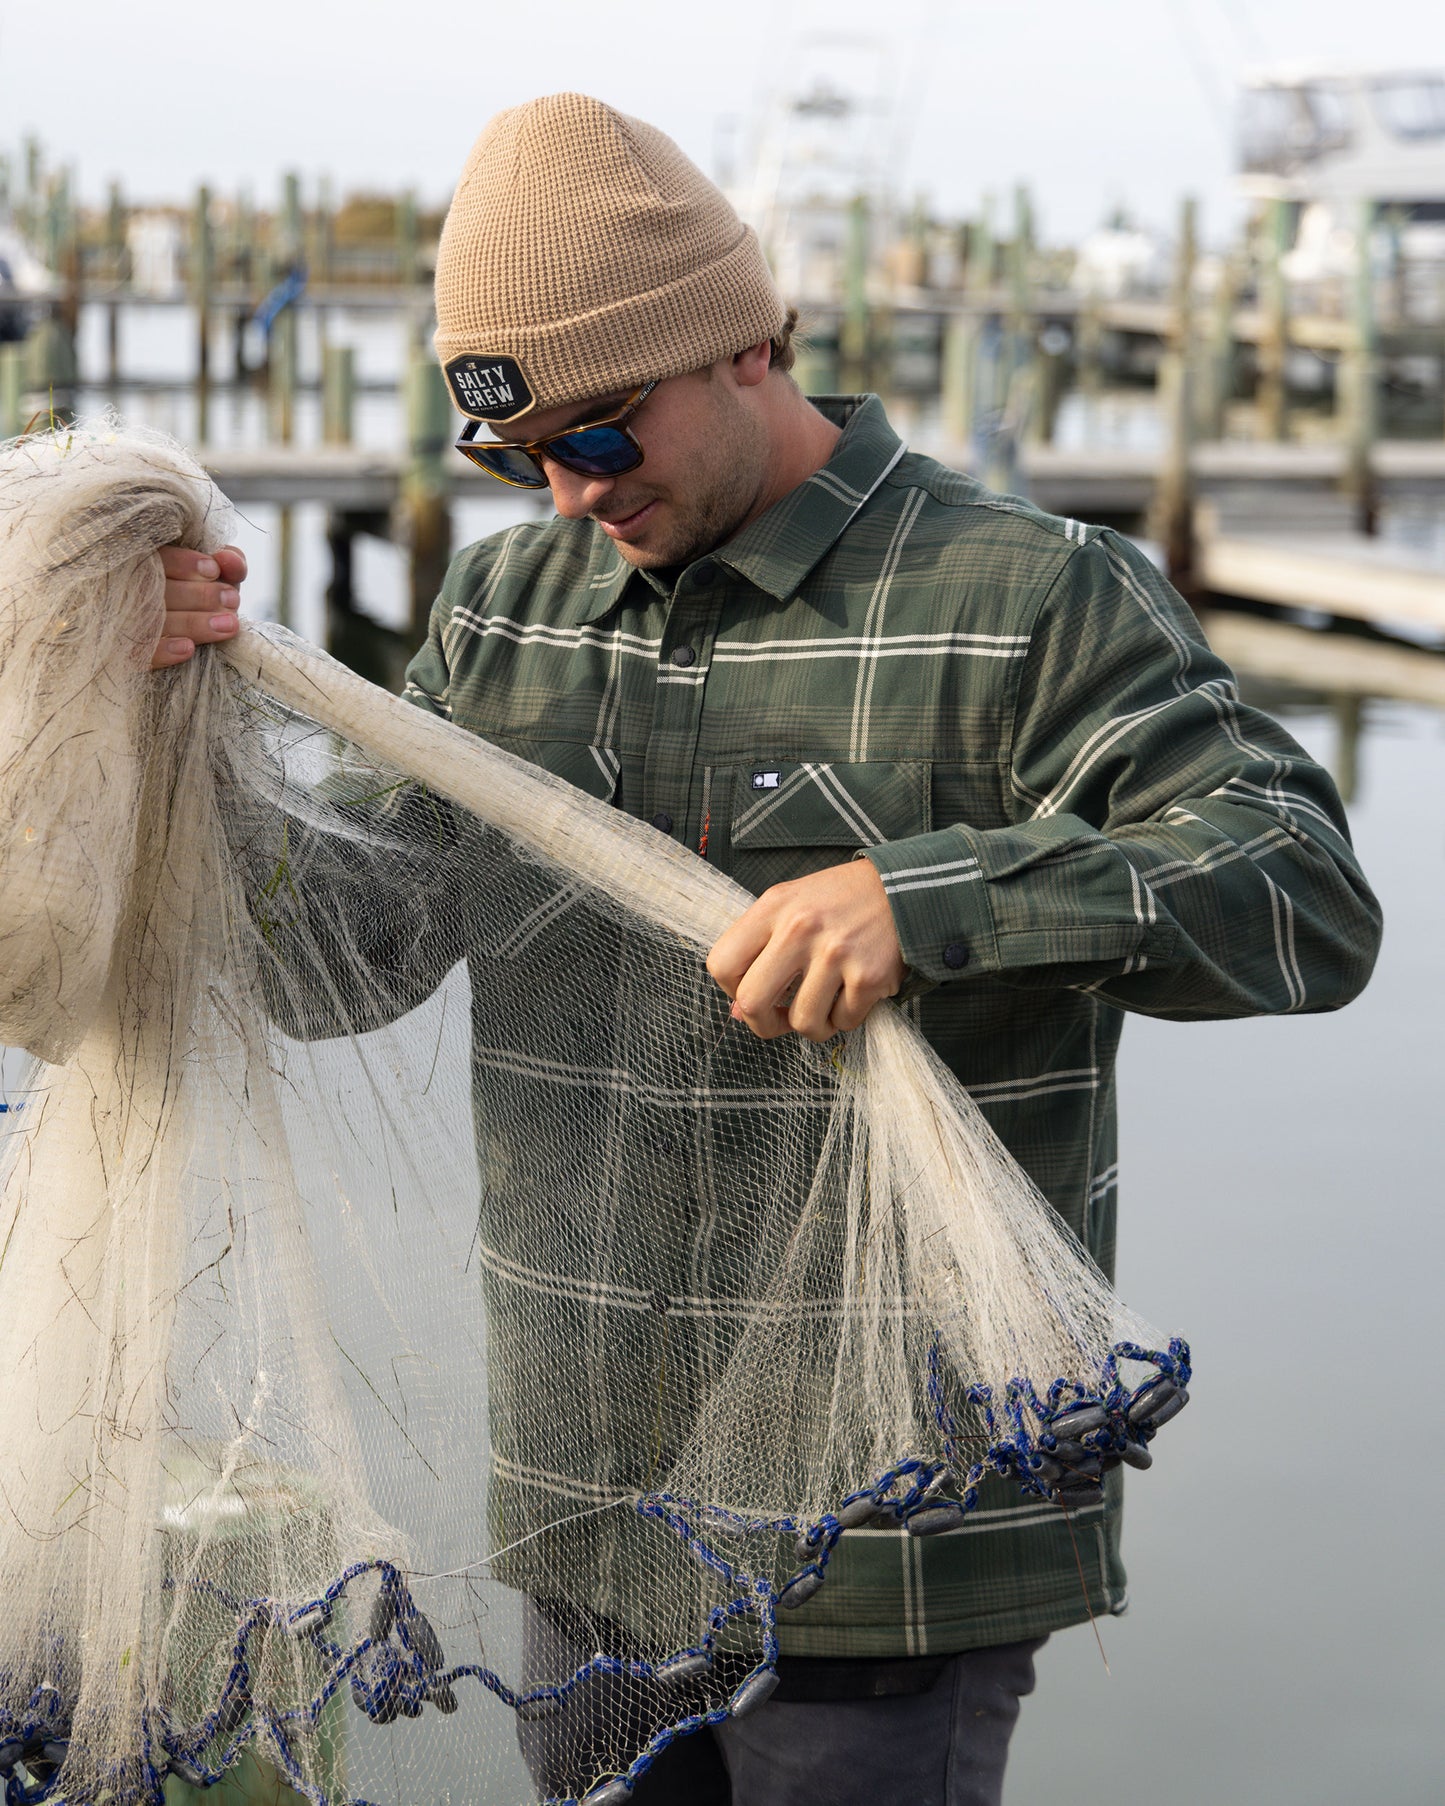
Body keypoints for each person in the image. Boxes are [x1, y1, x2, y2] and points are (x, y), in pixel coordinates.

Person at [152, 93, 1381, 1806]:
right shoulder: (503, 615)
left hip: (891, 1523)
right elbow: (337, 962)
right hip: (582, 1507)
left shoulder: (1035, 597)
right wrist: (175, 738)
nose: (573, 494)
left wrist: (932, 901)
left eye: (600, 433)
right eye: (523, 462)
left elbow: (1303, 896)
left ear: (745, 343)